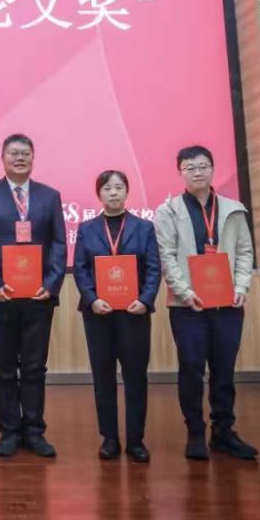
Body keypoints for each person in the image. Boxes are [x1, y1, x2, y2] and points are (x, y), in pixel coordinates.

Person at [154, 145, 257, 461]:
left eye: (202, 166)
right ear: (180, 173)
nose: (197, 172)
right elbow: (167, 257)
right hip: (187, 308)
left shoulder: (233, 209)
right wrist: (186, 293)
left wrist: (242, 286)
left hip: (228, 305)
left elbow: (244, 251)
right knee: (192, 369)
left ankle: (223, 432)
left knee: (224, 370)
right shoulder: (167, 212)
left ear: (212, 169)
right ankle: (195, 433)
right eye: (190, 167)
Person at [0, 133, 66, 458]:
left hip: (39, 296)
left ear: (33, 157)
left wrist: (51, 284)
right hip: (2, 296)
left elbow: (59, 243)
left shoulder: (49, 196)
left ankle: (35, 431)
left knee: (36, 366)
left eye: (25, 153)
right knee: (5, 367)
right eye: (13, 153)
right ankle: (9, 431)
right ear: (3, 158)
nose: (20, 158)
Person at [72, 170, 162, 463]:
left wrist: (145, 300)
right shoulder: (86, 228)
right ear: (99, 193)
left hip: (134, 313)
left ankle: (136, 440)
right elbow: (81, 269)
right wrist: (92, 299)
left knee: (136, 376)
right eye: (107, 188)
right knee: (103, 376)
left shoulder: (144, 227)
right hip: (99, 314)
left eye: (119, 187)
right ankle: (109, 438)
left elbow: (153, 268)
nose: (113, 192)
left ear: (127, 191)